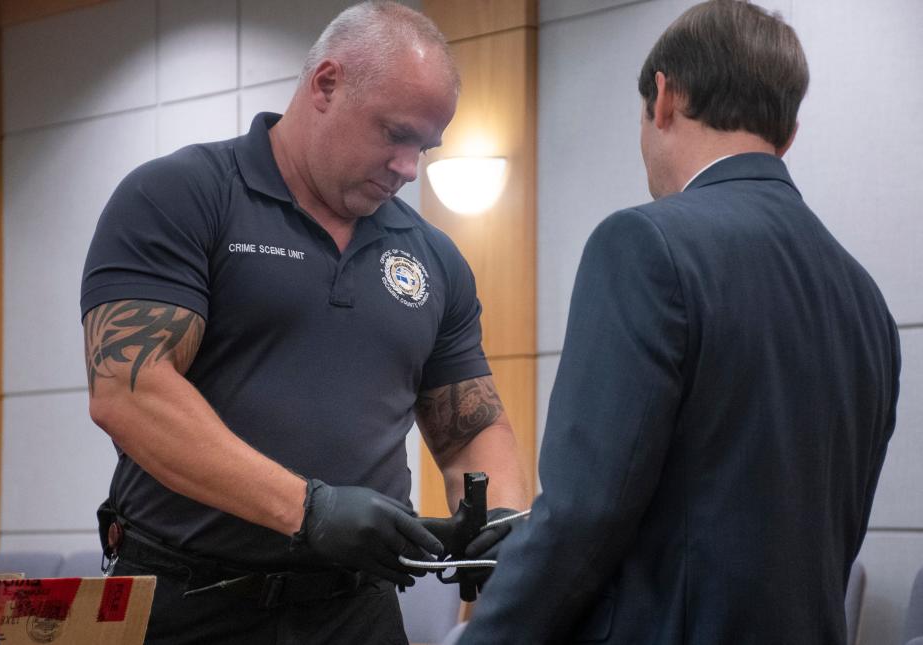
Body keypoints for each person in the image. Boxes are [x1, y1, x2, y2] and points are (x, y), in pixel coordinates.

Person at [79, 2, 528, 643]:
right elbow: (129, 392)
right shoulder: (182, 195)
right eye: (395, 134)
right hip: (192, 602)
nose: (409, 167)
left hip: (358, 609)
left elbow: (470, 429)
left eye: (424, 147)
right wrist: (308, 510)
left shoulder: (434, 257)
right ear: (325, 84)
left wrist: (502, 520)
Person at [459, 1, 900, 643]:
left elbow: (583, 516)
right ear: (788, 133)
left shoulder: (643, 244)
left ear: (664, 96)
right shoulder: (866, 301)